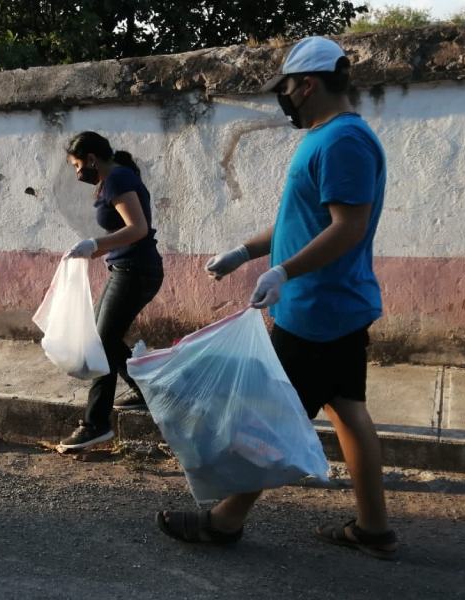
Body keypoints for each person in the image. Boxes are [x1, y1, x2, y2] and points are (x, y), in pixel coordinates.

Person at [155, 37, 398, 560]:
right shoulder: (325, 138)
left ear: (306, 85)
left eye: (285, 87)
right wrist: (244, 252)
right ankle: (374, 528)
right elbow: (300, 221)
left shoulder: (342, 142)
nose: (282, 97)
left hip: (318, 310)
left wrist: (286, 271)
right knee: (348, 410)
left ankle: (225, 521)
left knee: (266, 420)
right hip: (331, 304)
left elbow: (348, 227)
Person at [58, 131, 164, 451]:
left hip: (136, 271)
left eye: (78, 166)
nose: (78, 174)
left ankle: (96, 424)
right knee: (104, 335)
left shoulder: (117, 178)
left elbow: (139, 228)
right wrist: (97, 249)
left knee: (99, 342)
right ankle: (148, 392)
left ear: (92, 159)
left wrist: (97, 244)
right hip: (127, 269)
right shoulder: (114, 178)